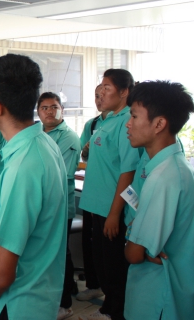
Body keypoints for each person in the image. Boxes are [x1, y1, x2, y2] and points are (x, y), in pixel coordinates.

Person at [0, 54, 67, 320]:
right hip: (37, 297)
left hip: (14, 305)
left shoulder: (24, 166)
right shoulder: (41, 144)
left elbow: (1, 275)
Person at [123, 80, 194, 320]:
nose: (128, 124)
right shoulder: (173, 166)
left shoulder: (164, 177)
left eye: (134, 116)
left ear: (159, 124)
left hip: (157, 297)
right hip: (164, 292)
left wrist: (134, 243)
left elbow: (134, 254)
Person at [78, 69, 140, 320]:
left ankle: (115, 312)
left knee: (114, 267)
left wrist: (115, 213)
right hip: (95, 205)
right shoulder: (104, 121)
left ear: (124, 92)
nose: (101, 92)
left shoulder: (127, 122)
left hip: (111, 209)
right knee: (101, 264)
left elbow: (128, 172)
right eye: (100, 87)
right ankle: (108, 307)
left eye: (107, 87)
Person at [36, 92, 81, 320]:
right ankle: (58, 294)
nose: (49, 111)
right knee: (50, 254)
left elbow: (58, 174)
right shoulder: (36, 133)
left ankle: (64, 304)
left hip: (58, 205)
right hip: (40, 204)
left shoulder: (68, 137)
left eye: (54, 107)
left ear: (62, 109)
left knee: (59, 254)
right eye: (44, 107)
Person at [76, 84, 108, 302]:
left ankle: (112, 296)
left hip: (110, 197)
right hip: (91, 192)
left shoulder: (123, 124)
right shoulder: (93, 124)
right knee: (89, 241)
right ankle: (94, 284)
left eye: (103, 94)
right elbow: (84, 155)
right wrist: (86, 151)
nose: (99, 99)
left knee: (109, 248)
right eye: (96, 96)